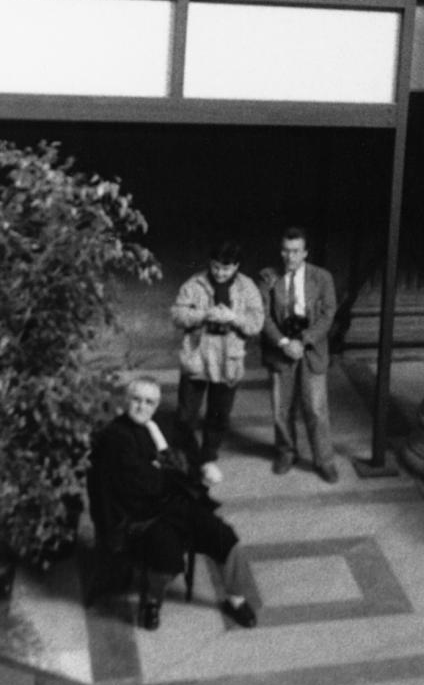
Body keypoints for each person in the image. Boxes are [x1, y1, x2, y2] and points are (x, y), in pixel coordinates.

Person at [88, 375, 257, 629]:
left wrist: (201, 466)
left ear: (156, 405)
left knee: (225, 538)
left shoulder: (166, 423)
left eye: (149, 402)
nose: (142, 407)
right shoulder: (115, 436)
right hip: (142, 515)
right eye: (136, 400)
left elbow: (188, 451)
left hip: (179, 502)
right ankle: (152, 602)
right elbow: (141, 485)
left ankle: (235, 599)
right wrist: (174, 473)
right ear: (125, 401)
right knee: (166, 554)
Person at [170, 241, 265, 471]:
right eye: (215, 267)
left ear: (237, 266)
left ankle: (209, 455)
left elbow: (256, 323)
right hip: (197, 355)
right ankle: (188, 457)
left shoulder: (247, 287)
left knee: (219, 414)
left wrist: (233, 318)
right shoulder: (195, 283)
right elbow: (176, 314)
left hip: (228, 358)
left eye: (226, 269)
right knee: (185, 415)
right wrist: (203, 315)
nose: (220, 273)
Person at [259, 228, 340, 481]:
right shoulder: (268, 277)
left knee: (316, 408)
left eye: (295, 251)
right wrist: (284, 343)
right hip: (281, 348)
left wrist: (303, 341)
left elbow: (328, 314)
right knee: (281, 408)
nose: (289, 256)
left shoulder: (322, 277)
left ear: (305, 252)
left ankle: (324, 459)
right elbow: (262, 315)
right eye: (285, 250)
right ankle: (286, 452)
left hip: (311, 349)